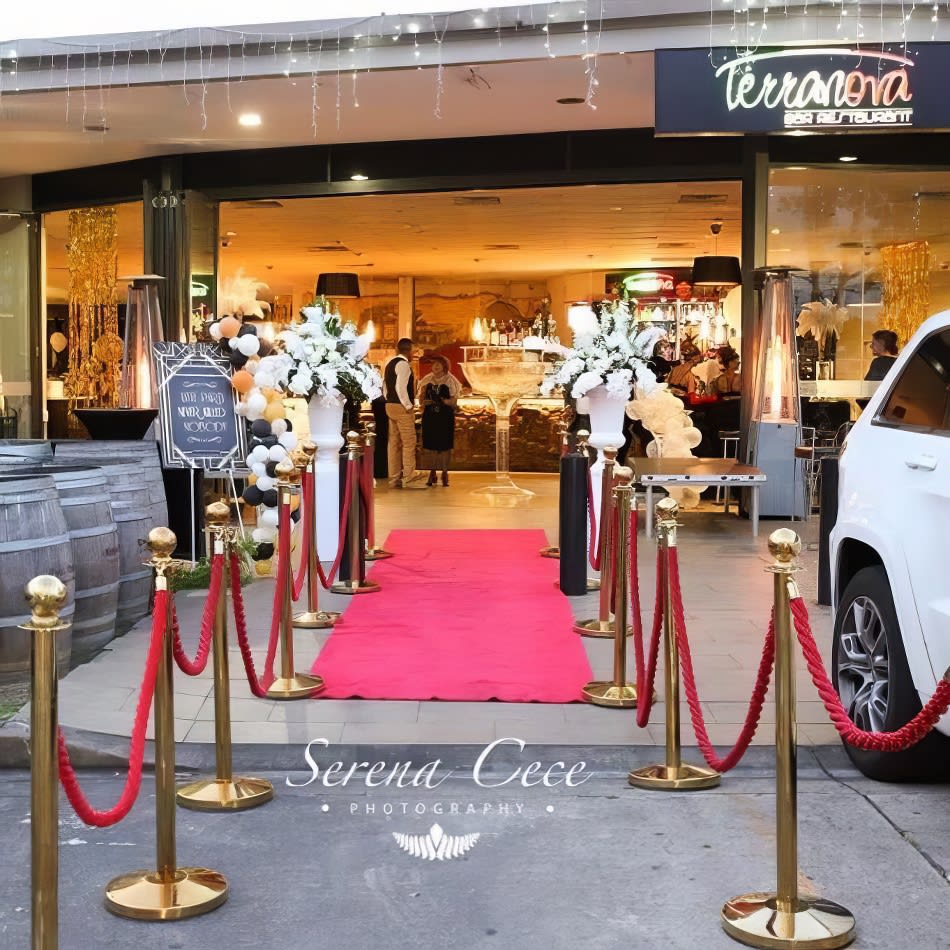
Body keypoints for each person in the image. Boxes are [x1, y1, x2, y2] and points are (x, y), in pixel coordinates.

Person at [384, 337, 428, 489]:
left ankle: (394, 478)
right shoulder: (403, 365)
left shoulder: (389, 364)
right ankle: (408, 478)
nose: (415, 353)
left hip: (390, 405)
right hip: (401, 407)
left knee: (394, 443)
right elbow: (400, 388)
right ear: (408, 350)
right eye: (414, 350)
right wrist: (408, 405)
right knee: (409, 443)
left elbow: (385, 386)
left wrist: (388, 400)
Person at [418, 355, 462, 486]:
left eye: (439, 364)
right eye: (434, 364)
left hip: (445, 416)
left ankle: (444, 472)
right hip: (430, 416)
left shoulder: (451, 380)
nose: (436, 366)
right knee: (429, 446)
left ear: (445, 365)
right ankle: (432, 473)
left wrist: (443, 401)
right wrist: (426, 401)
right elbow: (421, 400)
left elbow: (454, 402)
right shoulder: (426, 379)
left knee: (444, 446)